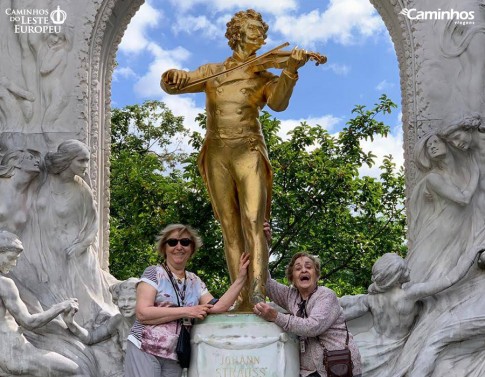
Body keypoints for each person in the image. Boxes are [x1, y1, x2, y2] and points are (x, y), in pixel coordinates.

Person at [160, 9, 312, 310]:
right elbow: (175, 84)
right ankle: (240, 296)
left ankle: (257, 293)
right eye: (253, 30)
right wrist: (171, 75)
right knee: (229, 227)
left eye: (261, 31)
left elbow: (279, 104)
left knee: (254, 222)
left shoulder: (264, 75)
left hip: (249, 149)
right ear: (237, 34)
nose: (260, 36)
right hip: (217, 151)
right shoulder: (212, 71)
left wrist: (290, 71)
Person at [125, 223, 250, 377]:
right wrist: (189, 311)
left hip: (174, 354)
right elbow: (143, 313)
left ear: (192, 249)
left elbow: (219, 307)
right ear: (164, 248)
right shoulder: (153, 273)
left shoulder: (194, 281)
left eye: (185, 242)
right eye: (172, 242)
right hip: (144, 347)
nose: (179, 246)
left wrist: (241, 278)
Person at [339, 251, 477, 376]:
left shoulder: (371, 299)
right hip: (390, 346)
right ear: (396, 276)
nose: (409, 270)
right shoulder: (409, 294)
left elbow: (342, 317)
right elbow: (450, 279)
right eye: (405, 269)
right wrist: (473, 251)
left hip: (367, 341)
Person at [253, 251, 362, 377]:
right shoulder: (291, 296)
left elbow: (313, 326)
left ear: (316, 275)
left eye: (308, 267)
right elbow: (265, 281)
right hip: (310, 372)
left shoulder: (326, 295)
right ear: (292, 277)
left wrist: (276, 316)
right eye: (298, 268)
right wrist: (264, 245)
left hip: (338, 367)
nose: (303, 270)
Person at [0, 230, 85, 376]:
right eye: (10, 258)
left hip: (10, 352)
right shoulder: (5, 284)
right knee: (75, 371)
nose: (13, 264)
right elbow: (28, 322)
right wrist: (60, 306)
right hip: (13, 353)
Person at [63, 278, 139, 354]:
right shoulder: (118, 320)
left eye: (132, 299)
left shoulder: (149, 323)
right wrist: (71, 323)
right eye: (122, 300)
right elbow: (91, 338)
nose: (126, 304)